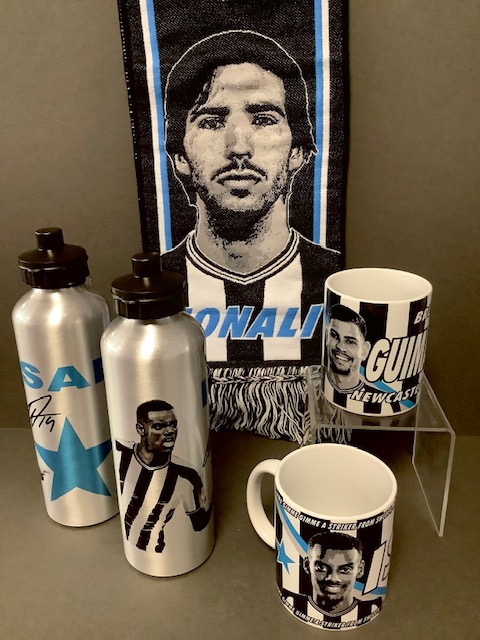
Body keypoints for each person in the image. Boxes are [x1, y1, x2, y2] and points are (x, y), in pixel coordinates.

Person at [161, 30, 341, 366]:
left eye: (263, 120)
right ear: (179, 156)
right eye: (212, 122)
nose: (239, 148)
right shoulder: (156, 282)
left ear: (298, 151)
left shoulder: (337, 279)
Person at [115, 399, 211, 553]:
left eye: (173, 425)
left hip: (155, 553)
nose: (170, 431)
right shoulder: (120, 452)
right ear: (141, 429)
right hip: (119, 548)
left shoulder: (187, 475)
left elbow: (200, 523)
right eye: (159, 426)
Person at [281, 532, 382, 625]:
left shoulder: (372, 607)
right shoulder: (290, 600)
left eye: (345, 569)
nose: (333, 578)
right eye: (321, 568)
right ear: (307, 565)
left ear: (360, 569)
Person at [325, 304, 371, 392]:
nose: (340, 347)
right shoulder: (313, 384)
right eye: (334, 336)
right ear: (327, 336)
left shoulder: (384, 399)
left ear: (364, 351)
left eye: (350, 341)